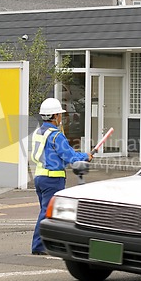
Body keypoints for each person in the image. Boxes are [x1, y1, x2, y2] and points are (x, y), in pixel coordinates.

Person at [31, 97, 92, 255]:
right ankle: (39, 246)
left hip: (39, 177)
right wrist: (86, 156)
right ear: (55, 116)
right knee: (47, 213)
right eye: (60, 115)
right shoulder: (56, 136)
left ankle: (46, 244)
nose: (61, 118)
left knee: (45, 212)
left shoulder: (39, 132)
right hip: (53, 179)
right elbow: (70, 156)